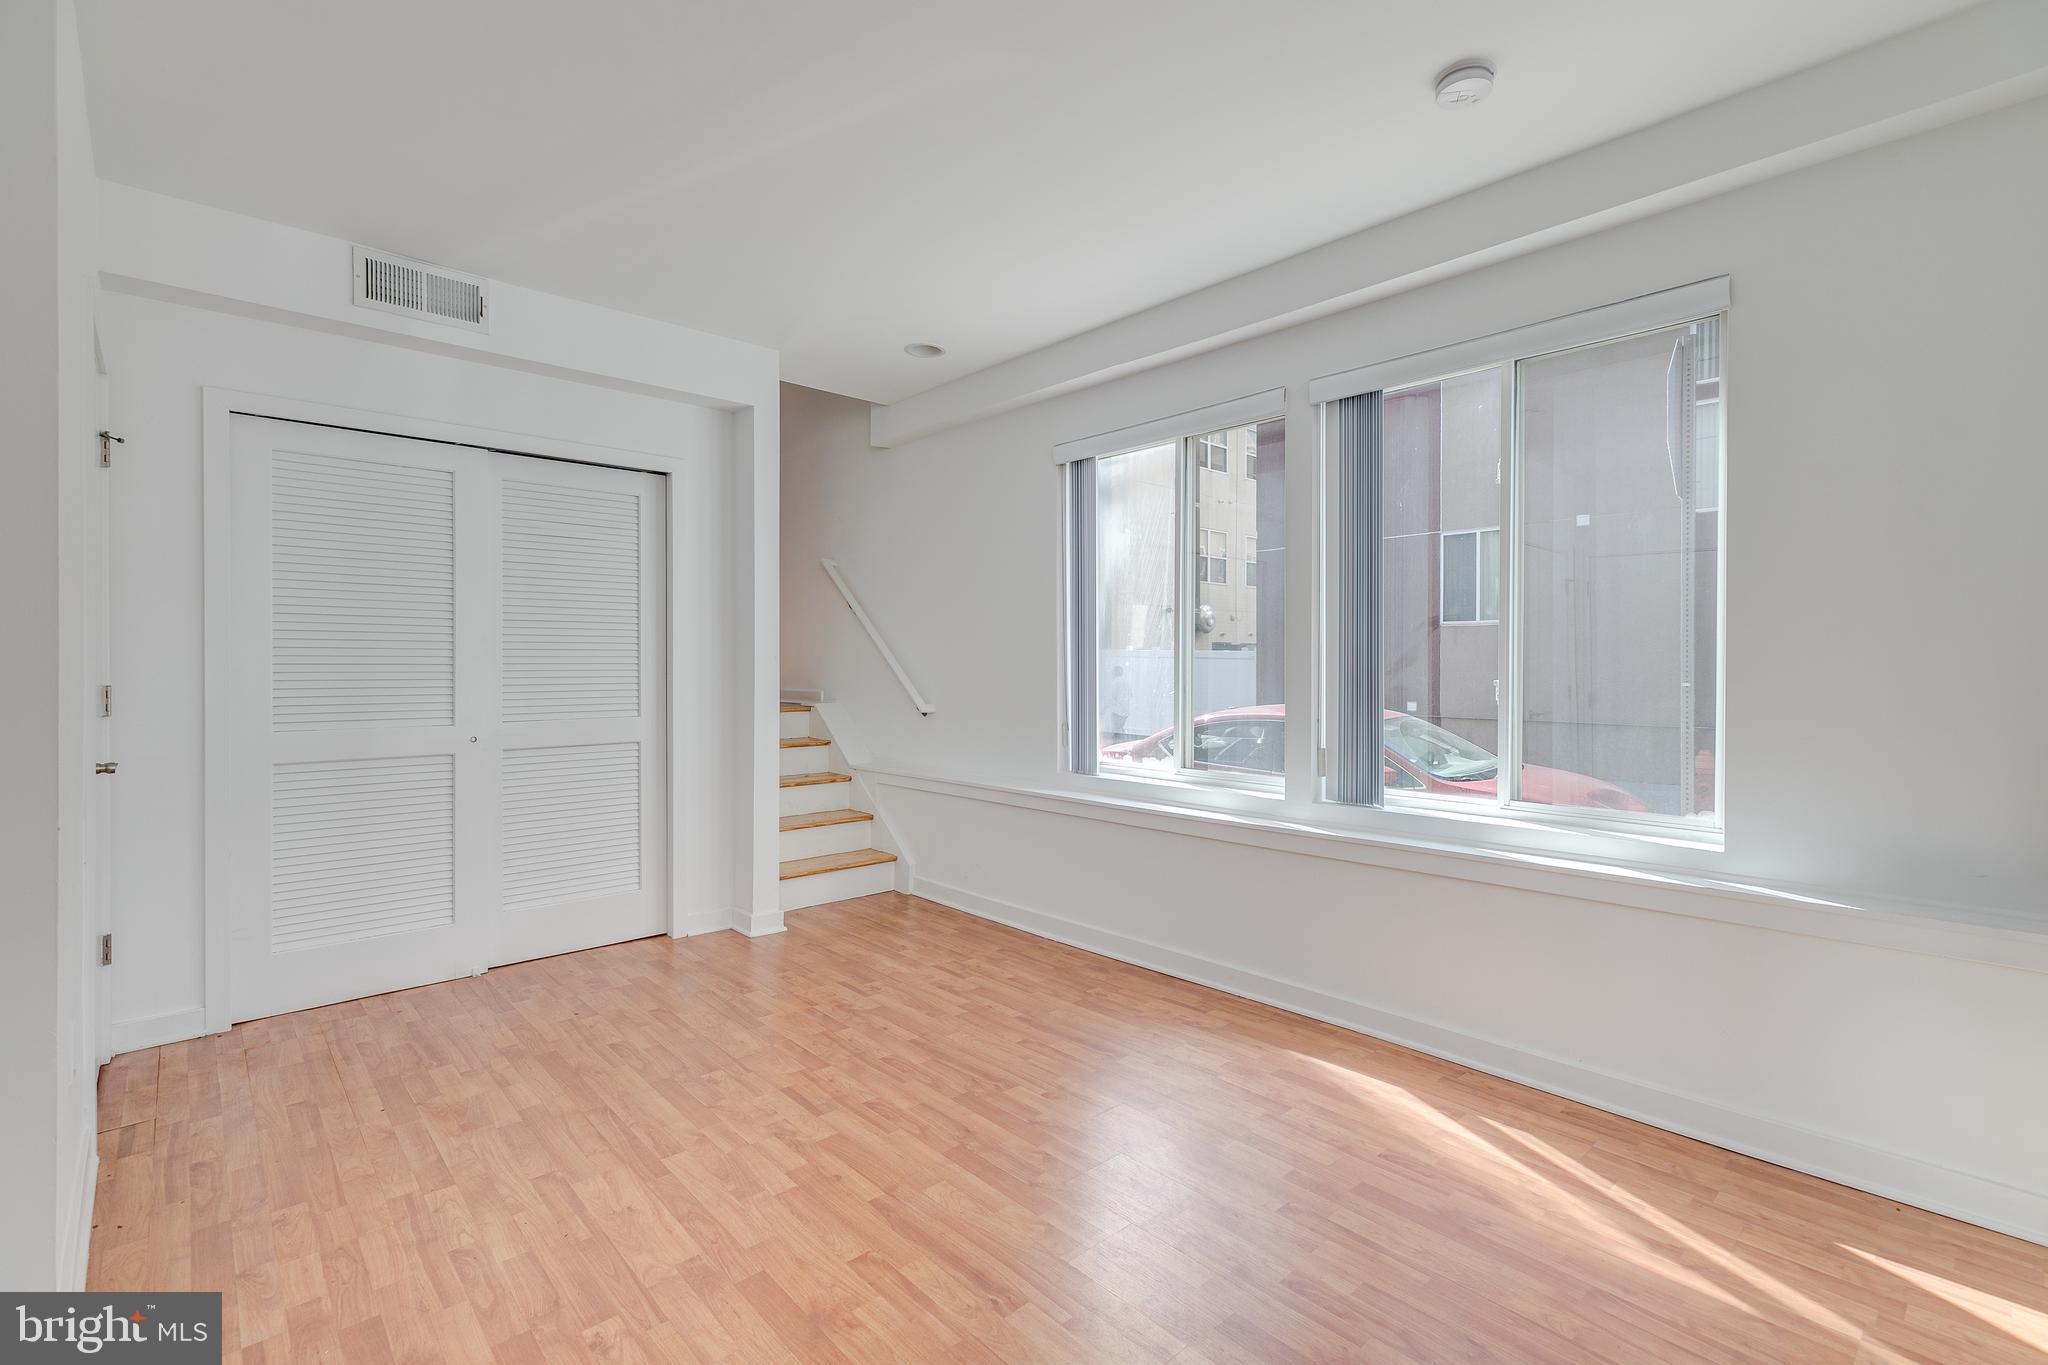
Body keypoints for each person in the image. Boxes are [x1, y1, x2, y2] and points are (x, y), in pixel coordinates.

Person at [1103, 664, 1131, 744]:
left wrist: (1103, 709)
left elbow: (1110, 698)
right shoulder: (1126, 682)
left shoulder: (1115, 683)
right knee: (1119, 729)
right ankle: (1124, 743)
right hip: (1125, 711)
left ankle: (1118, 745)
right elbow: (1130, 695)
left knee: (1116, 730)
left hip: (1117, 711)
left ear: (1115, 672)